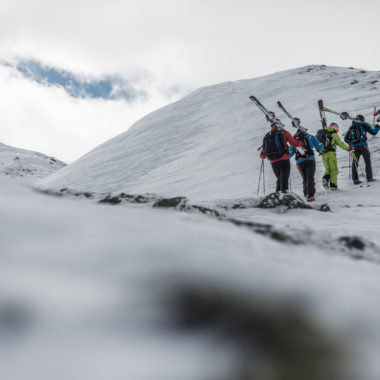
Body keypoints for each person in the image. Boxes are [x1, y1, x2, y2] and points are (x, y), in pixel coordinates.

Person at [260, 122, 304, 193]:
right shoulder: (284, 133)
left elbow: (263, 153)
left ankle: (278, 197)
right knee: (284, 178)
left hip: (273, 161)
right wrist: (301, 143)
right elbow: (294, 143)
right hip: (284, 159)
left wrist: (262, 155)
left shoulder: (267, 136)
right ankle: (284, 196)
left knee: (279, 179)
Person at [288, 129, 324, 202]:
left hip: (300, 161)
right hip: (310, 159)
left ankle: (306, 193)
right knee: (310, 177)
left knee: (304, 178)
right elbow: (320, 146)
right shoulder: (310, 137)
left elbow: (291, 151)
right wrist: (321, 148)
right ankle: (310, 195)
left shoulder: (294, 139)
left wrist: (286, 158)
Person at [344, 114, 379, 184]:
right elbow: (373, 132)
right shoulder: (364, 124)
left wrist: (352, 144)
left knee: (355, 162)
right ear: (362, 119)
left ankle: (355, 180)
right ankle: (369, 178)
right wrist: (377, 127)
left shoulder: (351, 127)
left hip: (354, 147)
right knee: (367, 161)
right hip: (363, 145)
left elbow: (345, 138)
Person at [319, 122, 353, 191]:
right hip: (331, 154)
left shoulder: (323, 133)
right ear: (335, 128)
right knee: (334, 170)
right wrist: (348, 148)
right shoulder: (333, 134)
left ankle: (325, 179)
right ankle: (333, 186)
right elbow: (340, 143)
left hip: (323, 154)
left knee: (328, 169)